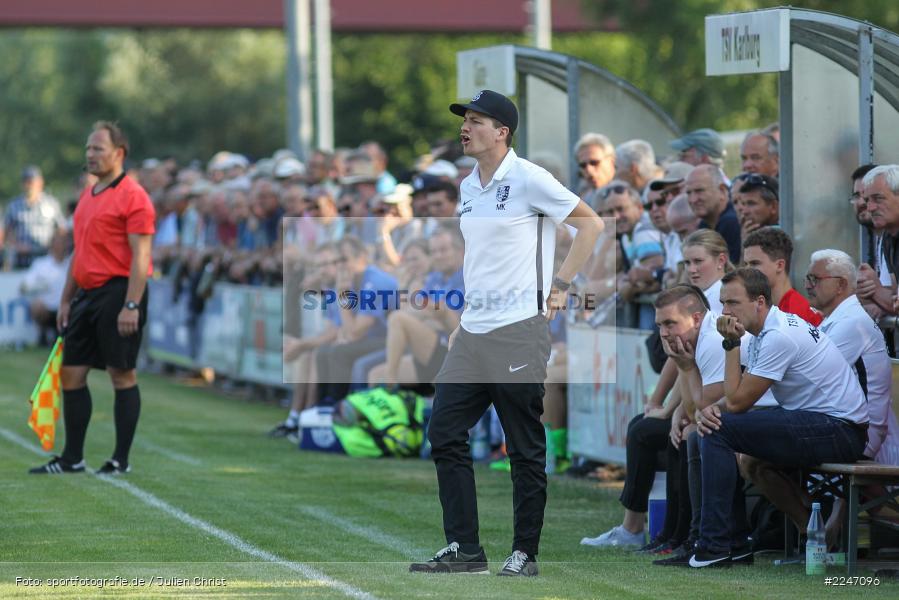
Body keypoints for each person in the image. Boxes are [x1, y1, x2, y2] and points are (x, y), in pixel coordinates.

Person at [410, 90, 603, 576]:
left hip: (519, 331)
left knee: (522, 446)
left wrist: (561, 285)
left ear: (503, 131)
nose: (465, 127)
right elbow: (482, 265)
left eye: (476, 120)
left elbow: (591, 225)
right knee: (444, 431)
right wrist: (461, 325)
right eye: (464, 120)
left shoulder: (528, 177)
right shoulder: (468, 185)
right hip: (473, 332)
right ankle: (465, 549)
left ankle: (525, 552)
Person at [689, 268, 868, 568]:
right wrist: (710, 409)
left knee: (717, 431)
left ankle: (716, 545)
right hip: (827, 423)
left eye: (733, 303)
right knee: (751, 462)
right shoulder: (767, 330)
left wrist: (730, 344)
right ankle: (814, 534)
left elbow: (737, 404)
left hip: (840, 429)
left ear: (759, 302)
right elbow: (735, 396)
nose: (725, 312)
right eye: (722, 303)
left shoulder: (777, 336)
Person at [580, 230, 731, 549]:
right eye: (686, 262)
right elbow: (680, 359)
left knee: (655, 432)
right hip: (705, 399)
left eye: (698, 261)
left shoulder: (715, 306)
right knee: (648, 427)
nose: (691, 268)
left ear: (721, 261)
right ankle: (659, 532)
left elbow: (694, 369)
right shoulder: (697, 296)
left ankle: (660, 532)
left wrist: (675, 408)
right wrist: (661, 402)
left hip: (719, 407)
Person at [30, 121, 156, 475]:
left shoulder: (134, 197)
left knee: (121, 374)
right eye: (88, 148)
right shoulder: (88, 195)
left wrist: (131, 304)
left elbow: (142, 258)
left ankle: (120, 460)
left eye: (98, 148)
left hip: (118, 293)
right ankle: (72, 459)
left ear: (119, 153)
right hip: (85, 294)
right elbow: (78, 253)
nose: (90, 154)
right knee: (71, 374)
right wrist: (67, 299)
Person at [741, 227, 822, 326]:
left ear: (779, 265)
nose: (747, 271)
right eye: (746, 264)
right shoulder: (765, 309)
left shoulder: (796, 314)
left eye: (755, 263)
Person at [4, 165, 66, 269]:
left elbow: (61, 229)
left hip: (47, 259)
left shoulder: (51, 203)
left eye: (32, 181)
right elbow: (6, 231)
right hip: (22, 261)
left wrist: (55, 246)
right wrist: (16, 246)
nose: (29, 185)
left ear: (40, 182)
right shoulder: (14, 205)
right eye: (26, 181)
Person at [684, 165, 741, 264]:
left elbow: (730, 273)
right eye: (689, 193)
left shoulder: (731, 222)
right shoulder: (704, 224)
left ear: (722, 190)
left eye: (699, 191)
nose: (693, 199)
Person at [731, 173, 779, 238]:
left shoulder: (791, 231)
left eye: (751, 204)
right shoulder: (743, 231)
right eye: (743, 204)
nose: (744, 211)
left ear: (773, 206)